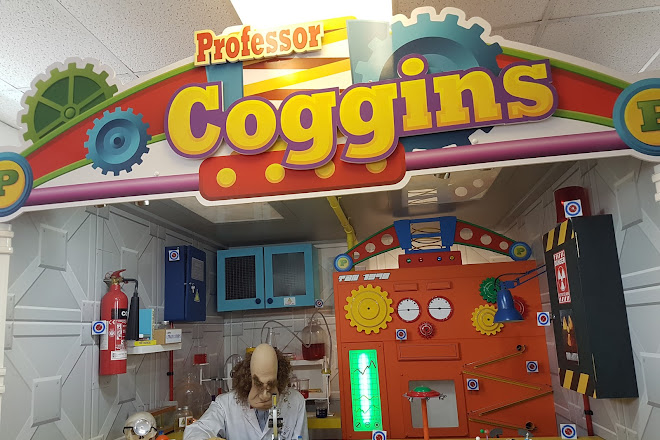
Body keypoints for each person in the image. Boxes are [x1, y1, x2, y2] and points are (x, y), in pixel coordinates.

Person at [183, 344, 308, 440]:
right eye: (258, 385)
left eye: (270, 385)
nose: (264, 395)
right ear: (248, 379)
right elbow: (194, 432)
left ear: (279, 379)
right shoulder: (225, 404)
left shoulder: (295, 402)